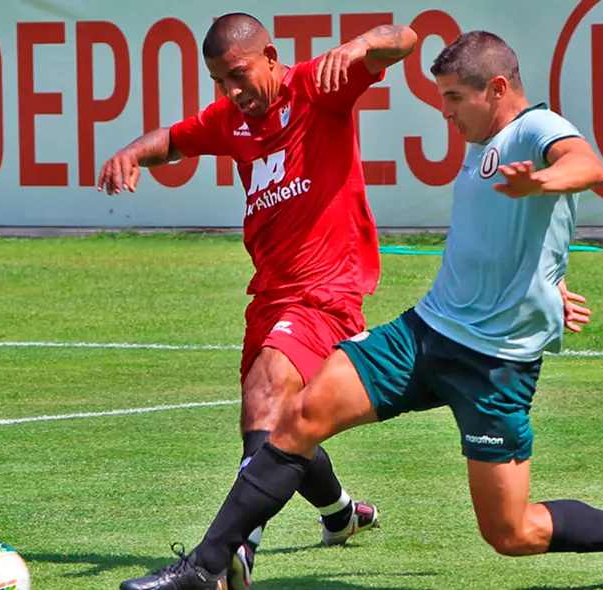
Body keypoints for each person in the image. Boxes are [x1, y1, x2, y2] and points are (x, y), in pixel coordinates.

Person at [118, 30, 603, 590]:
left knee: (510, 532)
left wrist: (545, 183)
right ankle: (205, 567)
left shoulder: (537, 130)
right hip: (425, 333)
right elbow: (504, 240)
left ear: (499, 90)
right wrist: (548, 283)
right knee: (299, 416)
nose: (445, 111)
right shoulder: (482, 144)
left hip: (494, 368)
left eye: (455, 97)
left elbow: (588, 165)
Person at [96, 12, 419, 589]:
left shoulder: (318, 85)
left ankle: (226, 555)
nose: (233, 91)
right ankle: (342, 515)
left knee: (265, 398)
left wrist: (363, 43)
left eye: (240, 75)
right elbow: (173, 140)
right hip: (269, 294)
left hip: (326, 289)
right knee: (287, 426)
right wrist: (131, 152)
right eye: (221, 81)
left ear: (271, 56)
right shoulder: (231, 119)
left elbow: (408, 39)